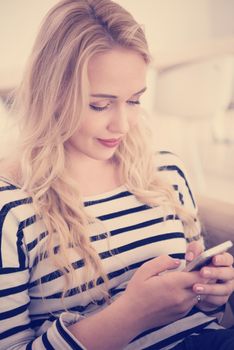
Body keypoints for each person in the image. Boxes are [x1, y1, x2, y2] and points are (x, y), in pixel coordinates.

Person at [0, 0, 234, 349]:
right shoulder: (13, 208)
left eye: (135, 100)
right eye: (100, 104)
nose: (122, 125)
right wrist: (131, 314)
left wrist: (211, 294)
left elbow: (201, 308)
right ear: (53, 95)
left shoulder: (166, 171)